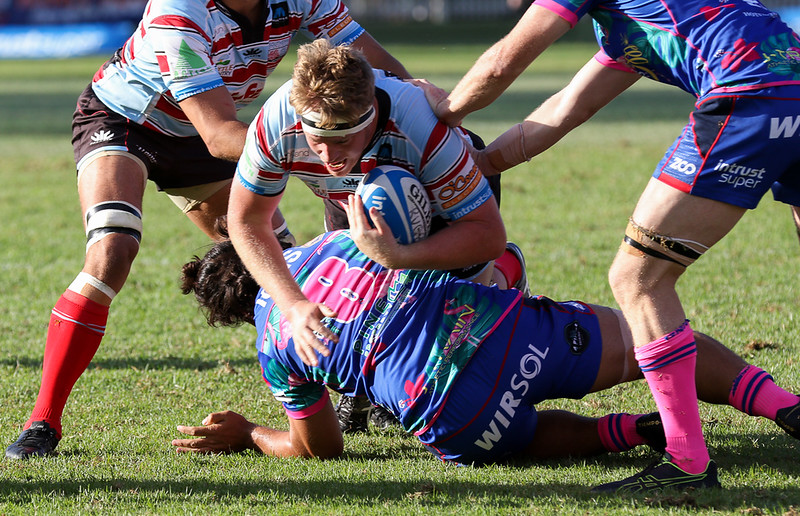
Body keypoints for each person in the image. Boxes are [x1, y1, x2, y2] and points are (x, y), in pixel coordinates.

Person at [414, 0, 800, 491]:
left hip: (748, 91)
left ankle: (686, 463)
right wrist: (484, 164)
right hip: (791, 83)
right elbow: (568, 107)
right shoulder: (631, 25)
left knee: (637, 277)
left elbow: (501, 62)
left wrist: (441, 112)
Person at [5, 0, 414, 461]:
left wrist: (422, 106)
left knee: (284, 270)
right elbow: (221, 135)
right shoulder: (177, 11)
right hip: (127, 123)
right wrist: (321, 147)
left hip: (204, 136)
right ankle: (42, 421)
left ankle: (363, 388)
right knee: (112, 252)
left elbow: (375, 67)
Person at [172, 227, 800, 490]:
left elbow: (320, 449)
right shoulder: (335, 241)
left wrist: (251, 433)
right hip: (494, 333)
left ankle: (634, 431)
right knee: (648, 342)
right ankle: (784, 406)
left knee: (515, 440)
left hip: (448, 411)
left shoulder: (272, 348)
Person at [226, 39, 507, 371]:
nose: (328, 158)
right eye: (317, 141)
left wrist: (401, 257)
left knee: (446, 349)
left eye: (342, 140)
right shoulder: (275, 123)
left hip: (444, 203)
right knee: (354, 312)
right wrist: (293, 305)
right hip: (348, 202)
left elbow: (488, 235)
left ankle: (504, 278)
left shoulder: (419, 127)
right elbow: (246, 222)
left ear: (369, 116)